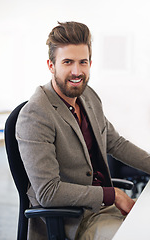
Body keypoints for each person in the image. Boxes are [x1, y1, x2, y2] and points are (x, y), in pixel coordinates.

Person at [16, 21, 150, 240]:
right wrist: (112, 194)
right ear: (51, 65)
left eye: (83, 62)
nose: (77, 71)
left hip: (102, 209)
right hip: (75, 219)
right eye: (67, 62)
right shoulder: (36, 114)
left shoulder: (88, 97)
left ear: (90, 63)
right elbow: (48, 192)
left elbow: (115, 143)